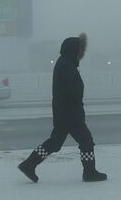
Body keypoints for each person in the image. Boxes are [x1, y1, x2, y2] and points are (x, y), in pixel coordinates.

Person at [17, 32, 107, 183]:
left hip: (64, 113)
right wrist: (76, 113)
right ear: (73, 51)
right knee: (86, 142)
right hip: (70, 114)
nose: (82, 54)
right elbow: (70, 93)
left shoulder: (65, 63)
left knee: (55, 142)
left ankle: (29, 164)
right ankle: (89, 172)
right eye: (80, 51)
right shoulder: (67, 66)